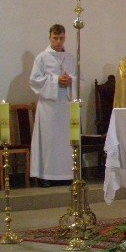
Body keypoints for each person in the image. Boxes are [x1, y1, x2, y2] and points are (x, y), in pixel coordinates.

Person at [29, 24, 76, 187]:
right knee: (49, 141)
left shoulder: (70, 58)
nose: (58, 41)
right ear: (49, 37)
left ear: (65, 38)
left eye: (61, 38)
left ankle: (66, 174)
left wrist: (71, 80)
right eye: (55, 38)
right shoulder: (42, 58)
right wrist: (56, 81)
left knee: (65, 141)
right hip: (49, 107)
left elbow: (79, 78)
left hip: (66, 106)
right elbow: (34, 81)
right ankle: (45, 176)